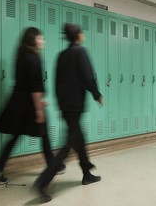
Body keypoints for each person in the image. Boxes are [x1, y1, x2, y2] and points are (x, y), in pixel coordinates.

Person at [0, 27, 65, 185]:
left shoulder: (21, 56)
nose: (43, 41)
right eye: (40, 38)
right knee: (44, 134)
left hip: (17, 103)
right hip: (29, 105)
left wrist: (39, 101)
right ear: (33, 40)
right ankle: (52, 166)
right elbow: (35, 87)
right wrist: (38, 109)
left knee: (14, 137)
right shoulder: (34, 58)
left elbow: (26, 83)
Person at [33, 23, 103, 202]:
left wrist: (60, 103)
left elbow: (56, 82)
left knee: (78, 138)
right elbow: (88, 77)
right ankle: (42, 181)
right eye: (82, 33)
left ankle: (87, 173)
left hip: (65, 105)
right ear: (78, 35)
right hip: (75, 105)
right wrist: (96, 94)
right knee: (68, 145)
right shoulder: (80, 52)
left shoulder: (61, 55)